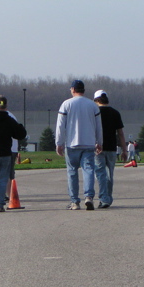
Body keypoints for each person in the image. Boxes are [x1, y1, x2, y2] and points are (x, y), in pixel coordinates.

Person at [55, 80, 103, 210]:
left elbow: (60, 126)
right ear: (83, 90)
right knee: (88, 170)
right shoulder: (93, 106)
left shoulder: (66, 104)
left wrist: (59, 143)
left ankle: (75, 201)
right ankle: (88, 197)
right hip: (88, 143)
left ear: (73, 89)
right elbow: (99, 126)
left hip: (72, 144)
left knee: (72, 172)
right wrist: (99, 142)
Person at [93, 90, 126, 208]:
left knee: (101, 174)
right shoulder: (115, 113)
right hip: (112, 148)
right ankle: (108, 198)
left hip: (98, 148)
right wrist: (124, 150)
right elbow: (120, 133)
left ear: (96, 100)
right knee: (109, 174)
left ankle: (104, 199)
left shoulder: (95, 113)